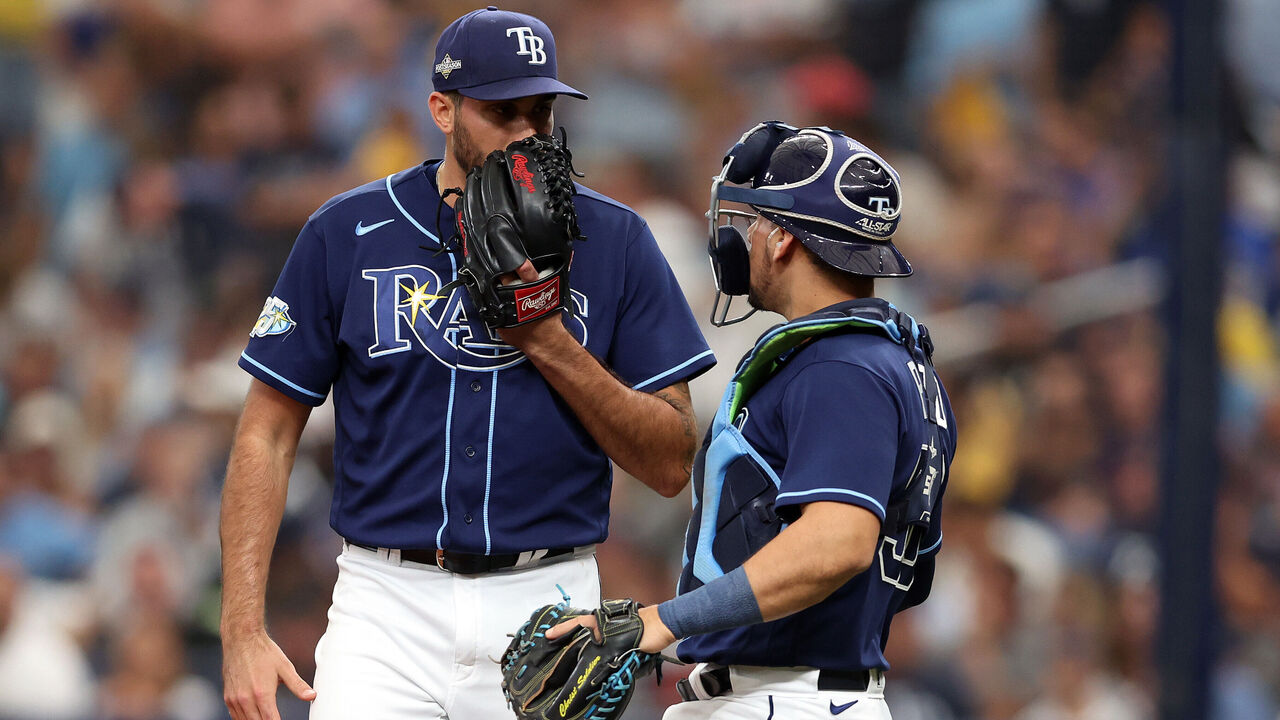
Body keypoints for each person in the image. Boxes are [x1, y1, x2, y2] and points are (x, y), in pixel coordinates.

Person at [218, 7, 715, 720]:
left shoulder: (613, 240)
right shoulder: (349, 232)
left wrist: (547, 342)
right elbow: (265, 432)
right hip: (385, 603)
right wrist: (241, 627)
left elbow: (670, 463)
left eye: (539, 113)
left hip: (546, 600)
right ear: (442, 110)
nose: (526, 134)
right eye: (500, 112)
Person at [551, 122, 957, 719]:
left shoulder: (841, 367)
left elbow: (836, 544)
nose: (743, 238)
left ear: (784, 240)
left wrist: (660, 623)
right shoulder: (889, 360)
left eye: (755, 220)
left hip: (786, 698)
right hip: (791, 689)